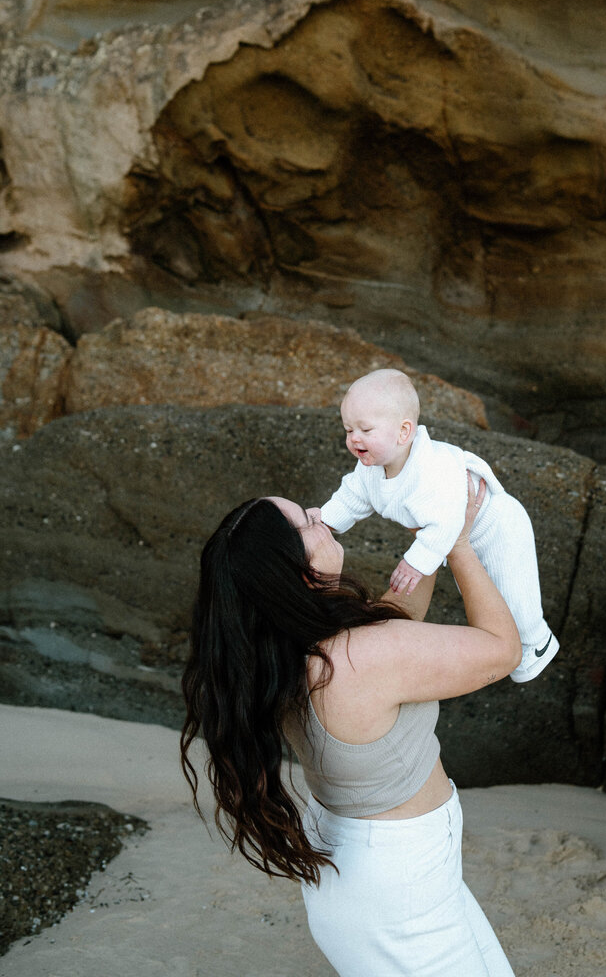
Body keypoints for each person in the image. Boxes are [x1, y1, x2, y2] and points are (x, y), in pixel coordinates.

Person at [181, 478, 519, 976]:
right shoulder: (351, 659)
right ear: (289, 569)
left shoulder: (287, 647)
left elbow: (395, 626)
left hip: (375, 869)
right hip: (395, 885)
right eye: (303, 522)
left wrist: (434, 538)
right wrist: (463, 545)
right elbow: (502, 650)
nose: (318, 514)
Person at [318, 368, 558, 683]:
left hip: (496, 525)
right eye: (348, 430)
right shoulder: (371, 469)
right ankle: (516, 640)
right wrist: (322, 523)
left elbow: (447, 523)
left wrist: (415, 562)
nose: (354, 439)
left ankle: (536, 640)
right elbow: (351, 497)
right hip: (461, 536)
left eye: (365, 429)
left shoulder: (431, 469)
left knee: (512, 589)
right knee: (481, 593)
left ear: (404, 432)